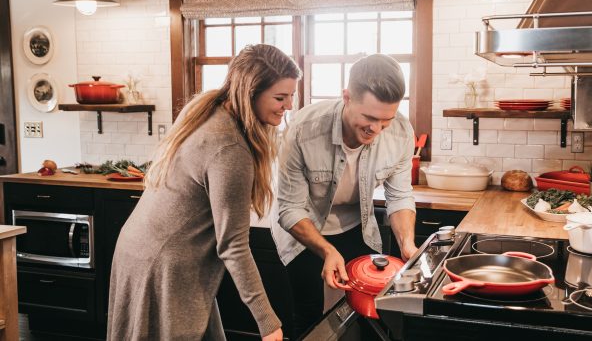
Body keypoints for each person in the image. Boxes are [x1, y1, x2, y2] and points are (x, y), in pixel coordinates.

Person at [107, 44, 302, 341]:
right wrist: (268, 322)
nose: (288, 105)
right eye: (280, 97)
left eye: (291, 95)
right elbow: (233, 246)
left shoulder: (210, 110)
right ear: (251, 92)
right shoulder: (230, 148)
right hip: (165, 265)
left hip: (141, 250)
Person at [273, 54, 418, 337]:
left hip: (357, 226)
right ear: (347, 97)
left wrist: (408, 244)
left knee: (366, 312)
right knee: (311, 314)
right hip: (304, 228)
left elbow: (399, 196)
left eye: (385, 121)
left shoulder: (400, 132)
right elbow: (289, 208)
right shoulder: (304, 129)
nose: (376, 130)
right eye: (369, 118)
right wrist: (327, 250)